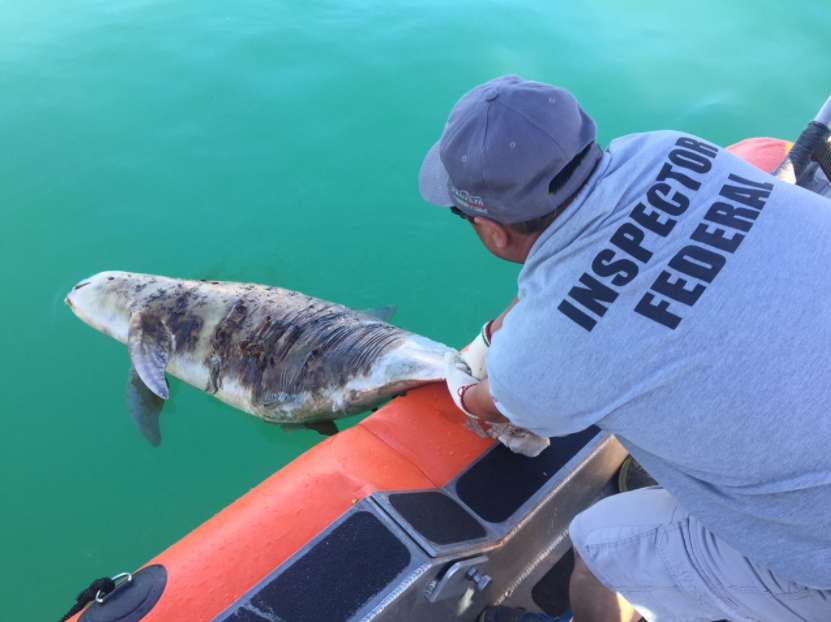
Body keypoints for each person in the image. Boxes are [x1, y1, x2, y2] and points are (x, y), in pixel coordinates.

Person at [419, 75, 831, 622]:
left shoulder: (539, 358)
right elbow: (616, 260)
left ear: (493, 232)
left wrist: (463, 383)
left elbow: (486, 401)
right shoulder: (669, 148)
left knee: (597, 541)